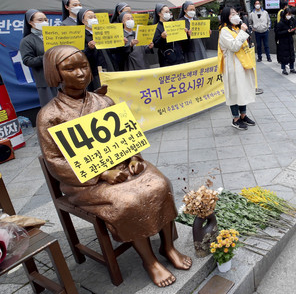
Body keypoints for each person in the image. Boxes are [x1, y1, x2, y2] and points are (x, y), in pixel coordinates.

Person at [37, 45, 191, 288]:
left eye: (84, 66)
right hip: (86, 180)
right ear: (55, 73)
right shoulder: (49, 115)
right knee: (127, 201)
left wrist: (133, 160)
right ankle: (149, 260)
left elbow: (127, 137)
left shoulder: (103, 101)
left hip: (121, 165)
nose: (80, 73)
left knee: (160, 184)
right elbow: (55, 161)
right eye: (70, 68)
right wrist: (102, 173)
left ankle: (167, 246)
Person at [217, 7, 257, 130]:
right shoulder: (224, 31)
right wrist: (243, 32)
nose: (236, 16)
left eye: (236, 13)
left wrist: (243, 32)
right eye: (232, 14)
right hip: (232, 66)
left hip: (243, 65)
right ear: (226, 17)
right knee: (234, 91)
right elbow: (234, 46)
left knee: (242, 89)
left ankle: (243, 115)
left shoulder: (236, 29)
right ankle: (235, 118)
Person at [19, 9, 58, 106]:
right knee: (52, 110)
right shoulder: (27, 41)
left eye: (46, 19)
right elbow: (27, 60)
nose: (44, 22)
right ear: (31, 23)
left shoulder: (54, 36)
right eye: (40, 20)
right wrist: (46, 57)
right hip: (45, 82)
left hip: (61, 79)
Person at [76, 8, 116, 92]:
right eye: (90, 17)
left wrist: (119, 42)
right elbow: (80, 56)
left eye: (94, 17)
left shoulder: (102, 32)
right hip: (94, 72)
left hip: (108, 67)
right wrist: (89, 49)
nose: (93, 19)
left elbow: (111, 51)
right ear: (83, 21)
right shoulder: (81, 36)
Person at [275, 8, 296, 75]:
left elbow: (293, 32)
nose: (289, 16)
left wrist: (292, 31)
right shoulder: (280, 23)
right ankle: (283, 68)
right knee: (284, 55)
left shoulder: (291, 21)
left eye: (290, 14)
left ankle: (292, 68)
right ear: (285, 14)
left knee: (291, 54)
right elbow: (278, 32)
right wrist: (286, 31)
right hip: (283, 41)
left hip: (290, 40)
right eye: (288, 14)